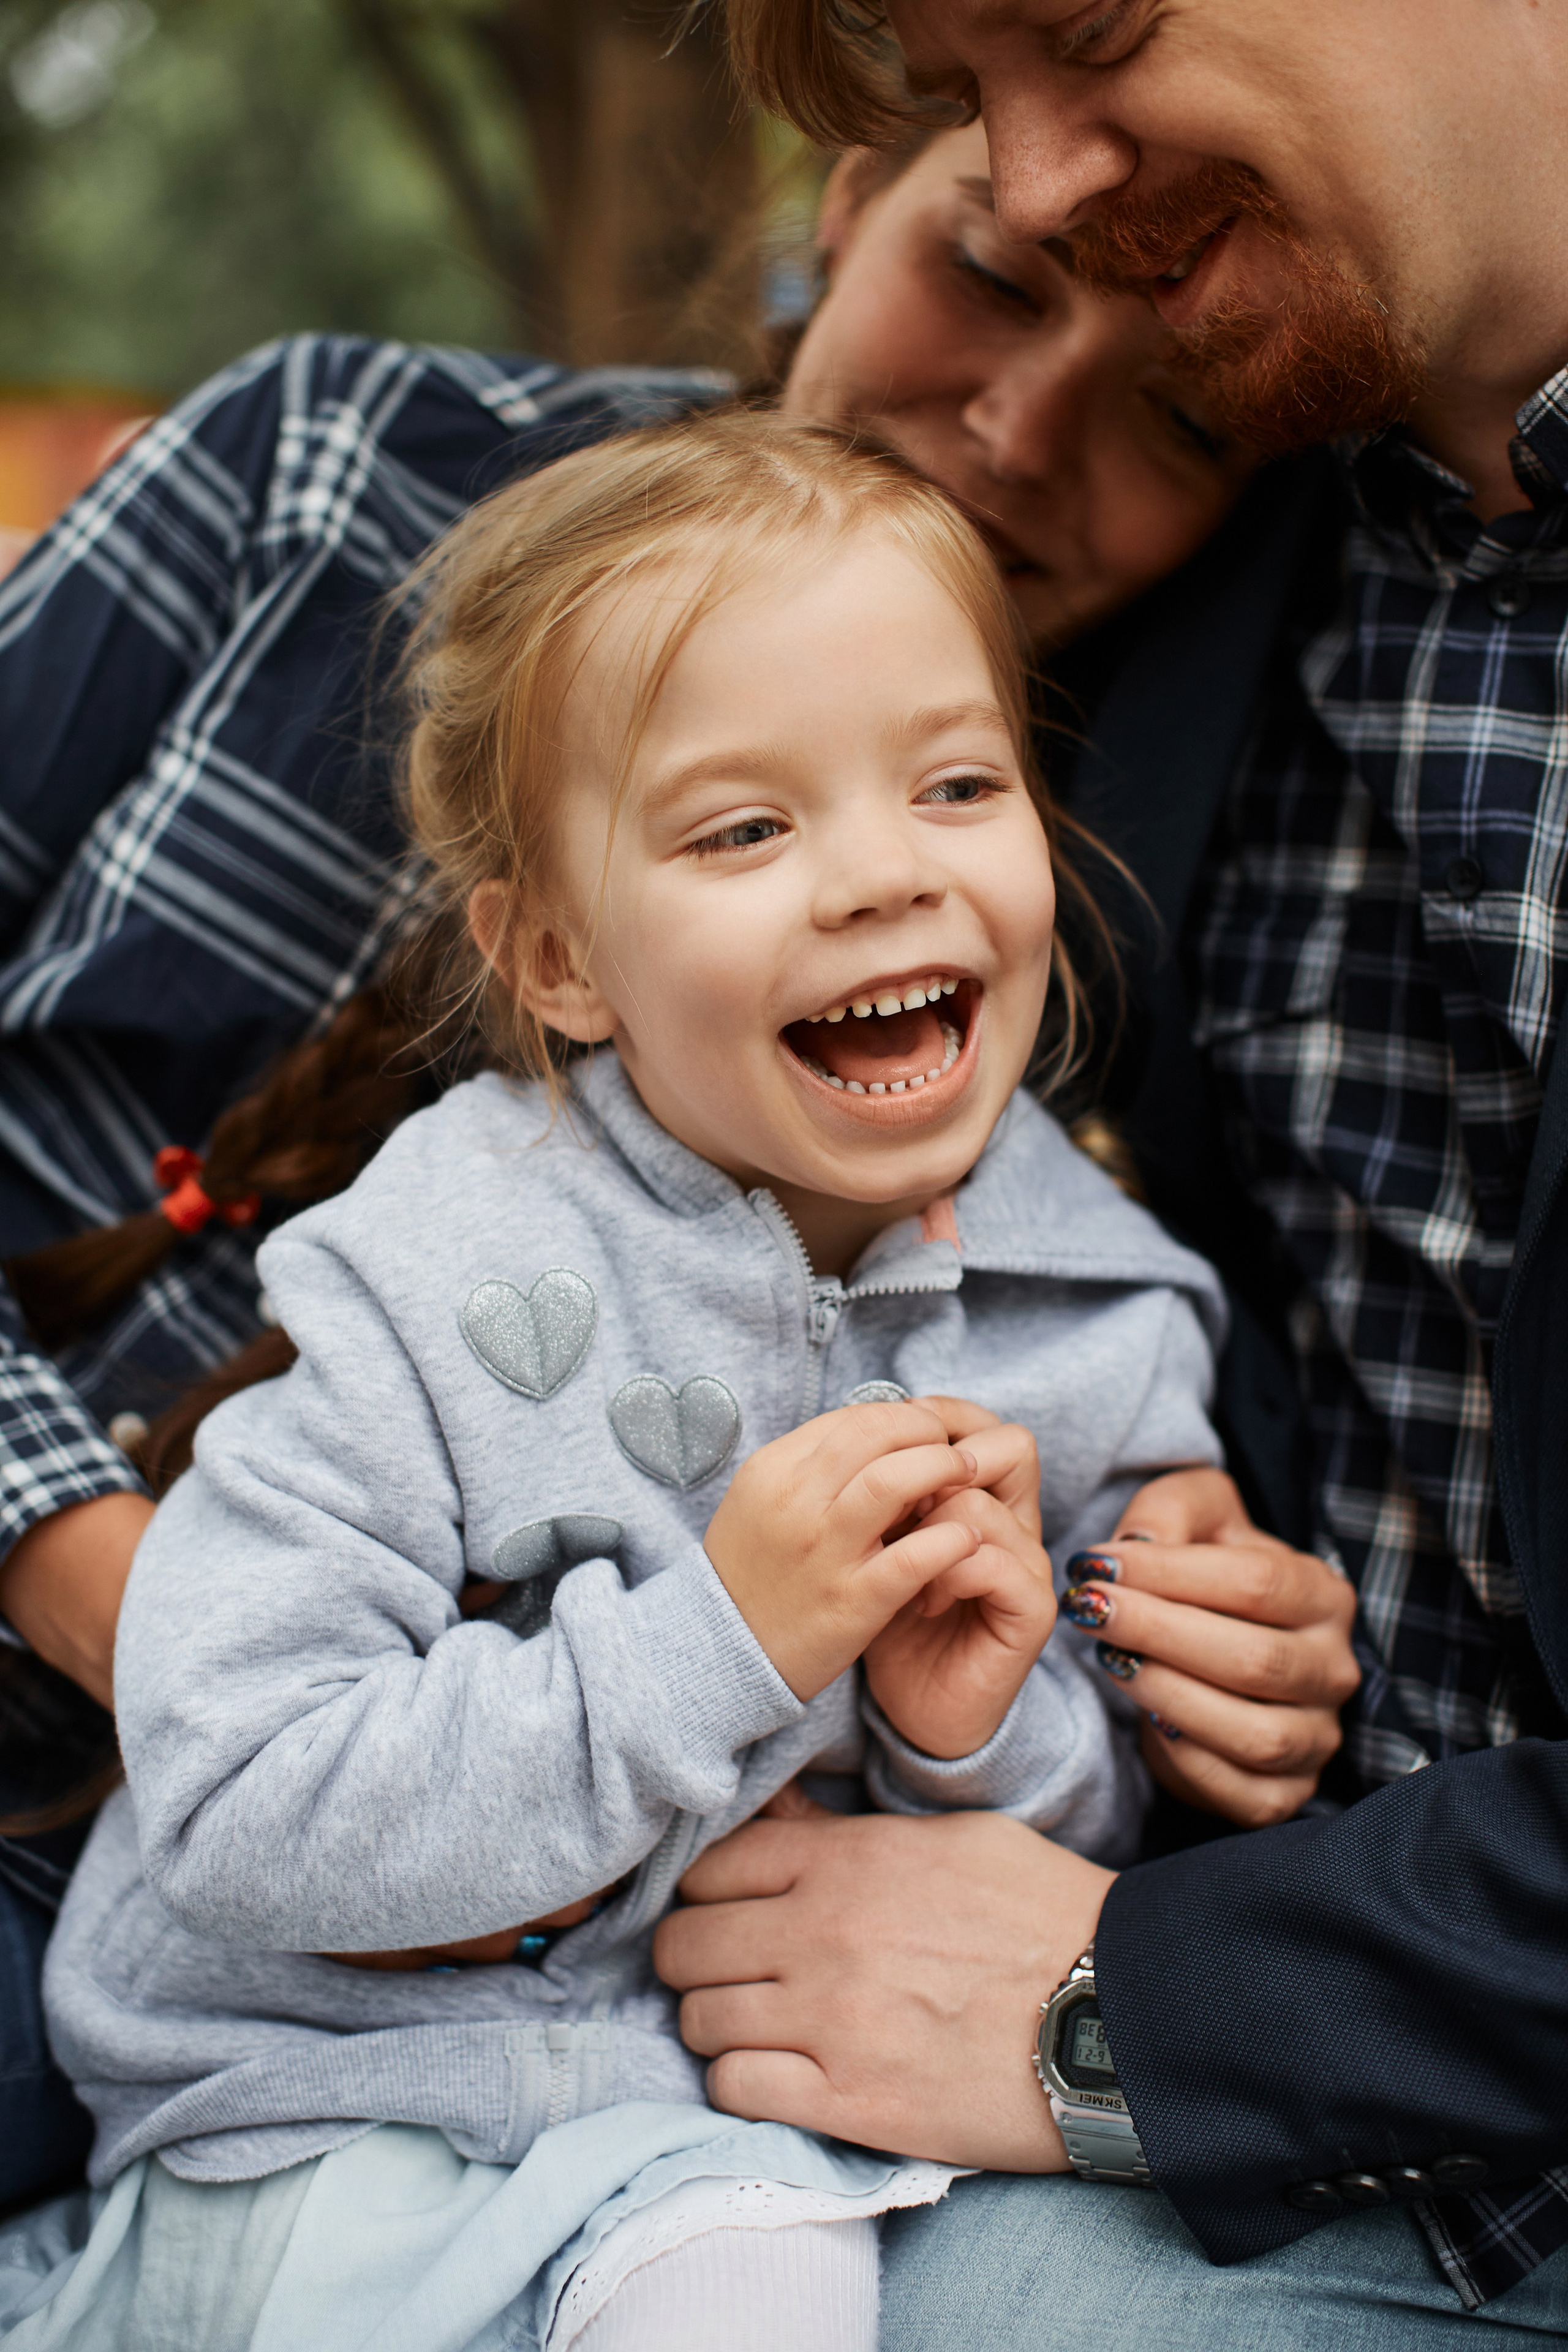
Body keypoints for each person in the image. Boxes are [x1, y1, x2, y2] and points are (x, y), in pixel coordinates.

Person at [0, 126, 1357, 2214]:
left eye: (1171, 413)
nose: (1014, 423)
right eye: (992, 275)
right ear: (854, 184)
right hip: (163, 1856)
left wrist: (1147, 1672)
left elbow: (1032, 1722)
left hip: (577, 2091)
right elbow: (266, 1770)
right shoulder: (327, 467)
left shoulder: (1063, 974)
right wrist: (97, 1571)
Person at [650, 1, 1568, 2341]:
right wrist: (1162, 1543)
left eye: (1090, 28)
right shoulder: (1247, 519)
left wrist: (1159, 1997)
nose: (1050, 185)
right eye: (975, 110)